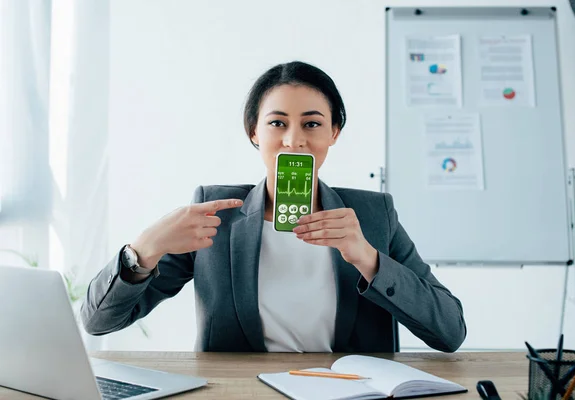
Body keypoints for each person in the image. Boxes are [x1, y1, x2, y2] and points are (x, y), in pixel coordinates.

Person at [81, 61, 466, 353]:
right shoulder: (214, 215)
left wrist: (368, 258)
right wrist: (143, 249)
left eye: (312, 124)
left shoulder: (373, 215)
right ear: (254, 132)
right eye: (277, 123)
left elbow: (450, 332)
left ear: (334, 132)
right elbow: (98, 322)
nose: (293, 140)